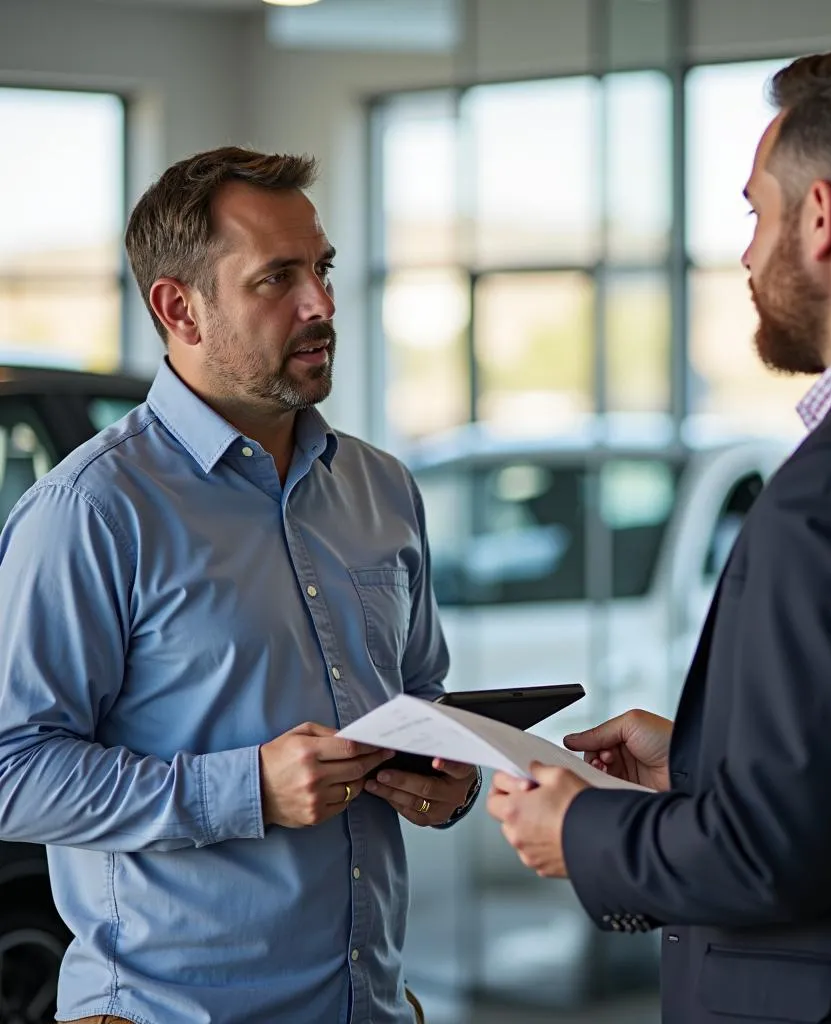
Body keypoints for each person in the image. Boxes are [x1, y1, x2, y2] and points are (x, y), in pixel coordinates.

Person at [488, 46, 831, 1023]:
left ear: (819, 217)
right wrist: (696, 761)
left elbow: (766, 854)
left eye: (754, 212)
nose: (744, 253)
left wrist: (580, 829)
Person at [0, 146, 480, 1024]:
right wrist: (244, 790)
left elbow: (421, 695)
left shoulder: (382, 488)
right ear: (178, 307)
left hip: (369, 1005)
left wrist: (452, 781)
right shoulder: (90, 511)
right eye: (278, 278)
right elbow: (12, 770)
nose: (322, 304)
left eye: (324, 269)